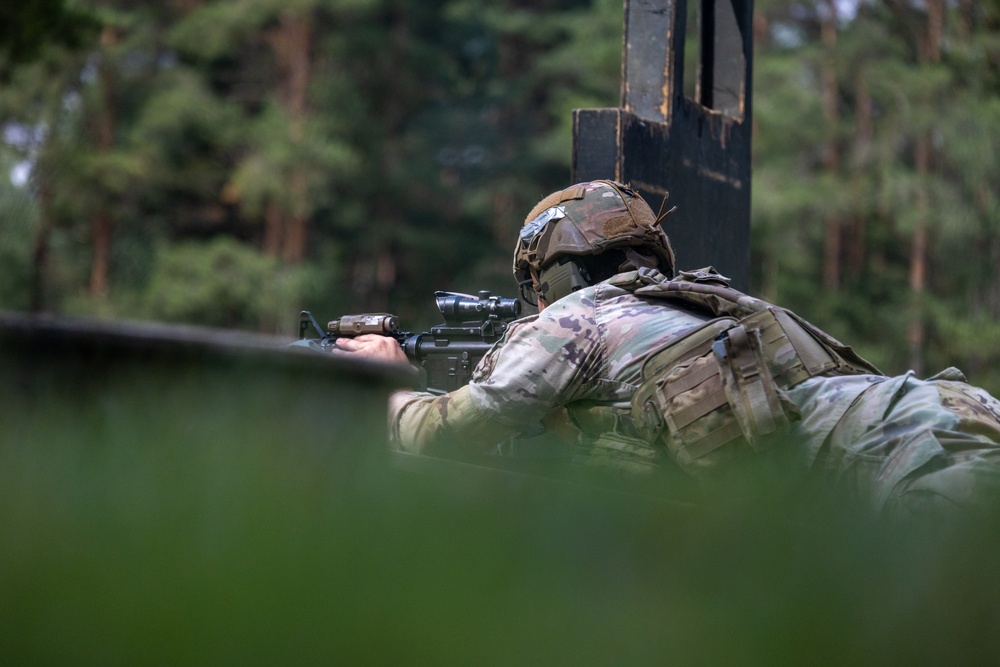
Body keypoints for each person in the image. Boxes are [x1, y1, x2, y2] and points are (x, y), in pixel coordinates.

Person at [335, 180, 1000, 518]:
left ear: (555, 275)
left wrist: (387, 387)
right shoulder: (714, 305)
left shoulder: (578, 319)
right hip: (953, 413)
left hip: (914, 456)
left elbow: (448, 432)